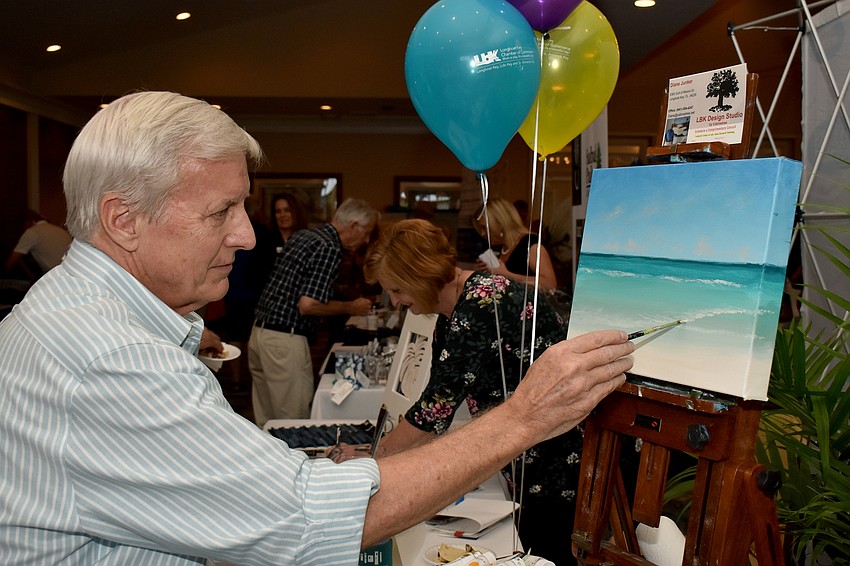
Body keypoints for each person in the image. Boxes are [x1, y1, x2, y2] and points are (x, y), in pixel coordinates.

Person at [0, 90, 634, 566]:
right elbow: (311, 521)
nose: (246, 235)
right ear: (124, 220)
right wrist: (524, 418)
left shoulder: (79, 315)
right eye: (221, 211)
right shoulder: (109, 357)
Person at [336, 218, 581, 564]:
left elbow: (435, 410)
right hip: (532, 451)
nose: (394, 301)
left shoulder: (482, 303)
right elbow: (437, 401)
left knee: (548, 551)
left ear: (418, 276)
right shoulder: (453, 310)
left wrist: (374, 464)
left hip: (558, 455)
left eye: (397, 289)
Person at [248, 197, 378, 424]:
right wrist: (351, 307)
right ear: (354, 226)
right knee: (293, 421)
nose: (366, 239)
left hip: (259, 335)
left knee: (267, 421)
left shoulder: (305, 235)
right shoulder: (329, 246)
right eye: (366, 232)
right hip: (285, 341)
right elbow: (308, 305)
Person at [473, 197, 558, 289]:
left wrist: (505, 274)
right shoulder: (500, 248)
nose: (482, 234)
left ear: (500, 223)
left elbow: (550, 284)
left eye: (484, 228)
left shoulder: (531, 245)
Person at [3, 209, 72, 281]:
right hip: (71, 274)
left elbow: (10, 263)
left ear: (27, 222)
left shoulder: (32, 232)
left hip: (55, 278)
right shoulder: (60, 230)